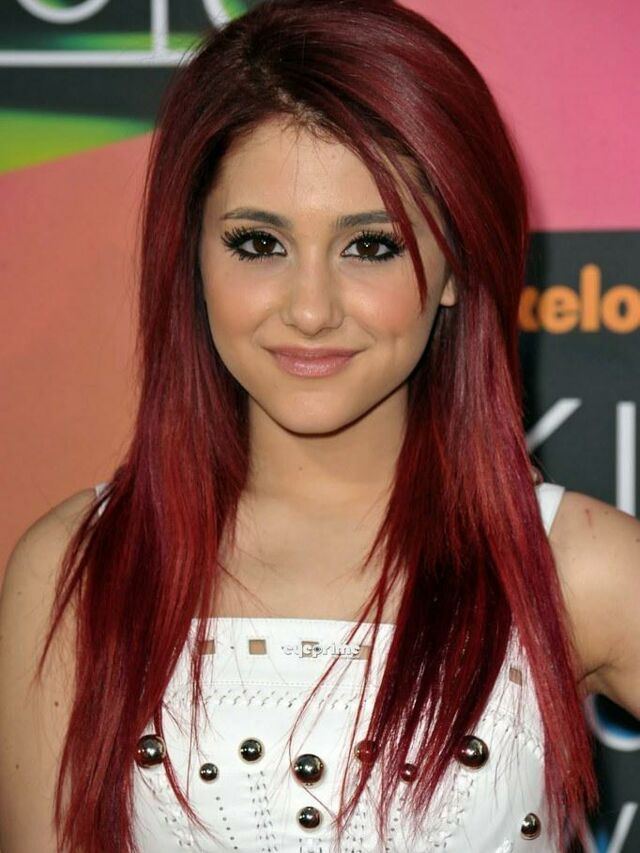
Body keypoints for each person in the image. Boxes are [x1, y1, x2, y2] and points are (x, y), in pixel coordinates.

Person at [1, 0, 638, 850]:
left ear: (457, 263)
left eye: (370, 246)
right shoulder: (79, 573)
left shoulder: (570, 567)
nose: (309, 309)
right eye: (258, 244)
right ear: (192, 253)